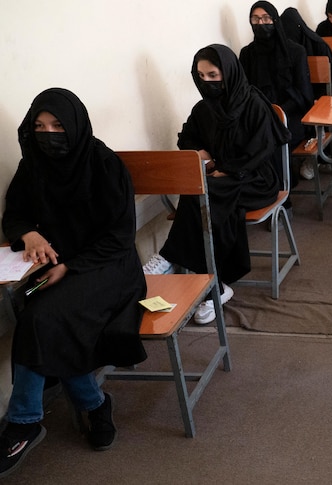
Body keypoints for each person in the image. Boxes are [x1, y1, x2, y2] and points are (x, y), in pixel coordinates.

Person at [0, 88, 147, 477]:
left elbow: (119, 237)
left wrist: (70, 267)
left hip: (108, 270)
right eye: (40, 126)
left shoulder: (103, 165)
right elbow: (14, 215)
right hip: (52, 272)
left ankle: (24, 422)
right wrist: (29, 235)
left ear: (76, 125)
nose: (48, 134)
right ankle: (94, 403)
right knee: (26, 301)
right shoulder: (33, 164)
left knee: (42, 317)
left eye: (58, 125)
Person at [142, 44, 289, 325]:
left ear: (229, 72)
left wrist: (228, 171)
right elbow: (186, 139)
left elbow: (260, 151)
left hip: (255, 179)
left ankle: (172, 258)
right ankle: (215, 287)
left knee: (208, 194)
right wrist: (202, 155)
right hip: (217, 178)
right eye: (200, 76)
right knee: (204, 192)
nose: (206, 82)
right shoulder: (203, 109)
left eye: (213, 75)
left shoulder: (253, 104)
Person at [240, 1, 315, 182]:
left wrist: (277, 112)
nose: (260, 23)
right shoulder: (247, 54)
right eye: (255, 19)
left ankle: (278, 190)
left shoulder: (295, 51)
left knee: (270, 136)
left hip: (290, 115)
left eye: (266, 18)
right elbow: (244, 91)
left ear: (275, 20)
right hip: (259, 115)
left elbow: (303, 94)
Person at [280, 7, 332, 99]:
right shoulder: (283, 47)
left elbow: (330, 80)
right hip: (295, 96)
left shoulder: (319, 45)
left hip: (321, 95)